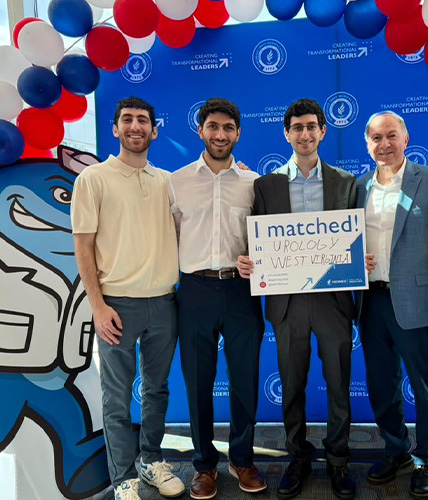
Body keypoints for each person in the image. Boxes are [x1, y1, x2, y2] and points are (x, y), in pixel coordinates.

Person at [237, 98, 357, 500]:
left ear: (323, 131)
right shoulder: (265, 186)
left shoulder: (345, 182)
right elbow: (257, 241)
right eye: (297, 127)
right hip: (287, 302)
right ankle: (298, 457)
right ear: (286, 134)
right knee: (292, 384)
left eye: (311, 126)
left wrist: (362, 254)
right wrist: (251, 261)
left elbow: (358, 237)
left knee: (339, 383)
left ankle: (338, 460)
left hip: (333, 301)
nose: (304, 134)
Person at [71, 96, 185, 500]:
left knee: (157, 389)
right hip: (116, 304)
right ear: (116, 129)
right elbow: (82, 247)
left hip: (165, 302)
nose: (135, 126)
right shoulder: (93, 179)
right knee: (116, 397)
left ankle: (151, 460)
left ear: (154, 130)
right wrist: (98, 306)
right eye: (127, 120)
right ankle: (123, 478)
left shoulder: (168, 181)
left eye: (143, 120)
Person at [169, 98, 266, 500]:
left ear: (238, 133)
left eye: (228, 127)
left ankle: (241, 459)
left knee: (245, 379)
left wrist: (258, 261)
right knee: (197, 382)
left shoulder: (254, 182)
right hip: (194, 290)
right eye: (213, 126)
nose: (220, 134)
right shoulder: (175, 182)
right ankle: (204, 465)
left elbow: (266, 240)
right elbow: (170, 236)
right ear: (201, 130)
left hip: (241, 291)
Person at [357, 111, 428, 499]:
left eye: (391, 135)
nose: (384, 144)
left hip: (418, 302)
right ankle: (395, 450)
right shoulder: (357, 186)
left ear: (406, 137)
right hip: (371, 301)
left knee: (425, 386)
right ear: (368, 144)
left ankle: (427, 458)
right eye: (377, 137)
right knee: (382, 385)